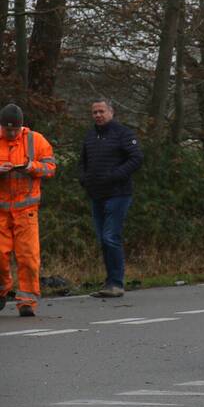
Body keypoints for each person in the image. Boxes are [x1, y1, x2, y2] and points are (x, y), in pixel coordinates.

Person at [79, 99, 142, 298]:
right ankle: (109, 282)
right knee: (103, 239)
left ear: (111, 112)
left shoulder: (123, 133)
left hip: (118, 193)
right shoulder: (90, 135)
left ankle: (116, 283)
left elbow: (136, 158)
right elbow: (83, 161)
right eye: (95, 112)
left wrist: (115, 175)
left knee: (110, 237)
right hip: (96, 194)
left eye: (101, 111)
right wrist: (84, 179)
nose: (98, 115)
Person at [0, 103, 57, 317]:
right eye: (6, 129)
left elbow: (50, 168)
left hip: (26, 210)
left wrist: (31, 167)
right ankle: (2, 289)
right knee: (0, 255)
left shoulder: (36, 140)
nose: (10, 133)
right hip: (1, 211)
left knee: (28, 258)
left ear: (21, 126)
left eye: (14, 129)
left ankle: (27, 301)